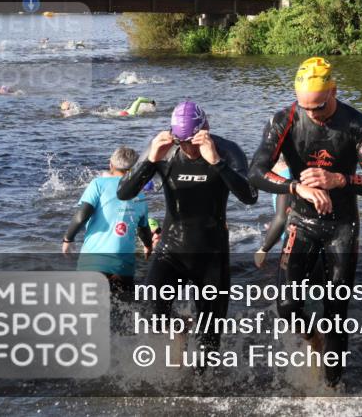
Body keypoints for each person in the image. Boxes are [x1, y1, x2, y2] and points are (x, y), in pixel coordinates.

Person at [248, 57, 362, 387]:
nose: (313, 114)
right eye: (306, 107)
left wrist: (338, 179)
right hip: (301, 221)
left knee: (336, 313)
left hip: (342, 227)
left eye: (319, 107)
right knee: (286, 305)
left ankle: (331, 391)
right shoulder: (285, 120)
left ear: (334, 92)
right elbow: (255, 172)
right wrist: (296, 187)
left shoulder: (359, 125)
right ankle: (314, 341)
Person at [117, 100, 256, 357]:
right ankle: (179, 327)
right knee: (152, 309)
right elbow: (124, 192)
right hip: (171, 249)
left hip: (212, 255)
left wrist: (216, 162)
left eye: (193, 140)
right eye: (182, 142)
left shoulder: (226, 150)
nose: (189, 148)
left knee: (209, 343)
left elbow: (250, 196)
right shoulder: (164, 150)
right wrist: (150, 161)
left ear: (206, 127)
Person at [62, 147, 153, 296]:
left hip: (93, 262)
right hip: (123, 267)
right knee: (123, 311)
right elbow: (144, 228)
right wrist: (148, 246)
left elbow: (81, 215)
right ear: (136, 169)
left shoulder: (98, 184)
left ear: (111, 164)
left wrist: (68, 239)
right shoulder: (140, 195)